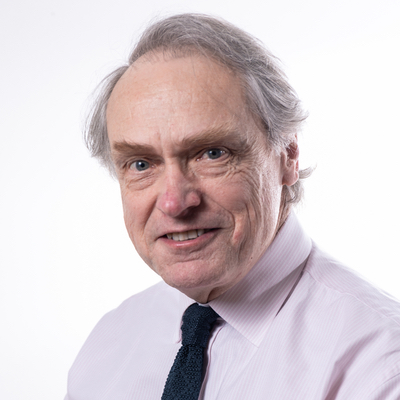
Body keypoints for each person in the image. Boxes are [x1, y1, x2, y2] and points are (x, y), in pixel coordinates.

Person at [65, 14, 400, 399]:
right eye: (141, 164)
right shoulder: (106, 349)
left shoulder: (379, 366)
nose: (174, 203)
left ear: (288, 154)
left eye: (212, 153)